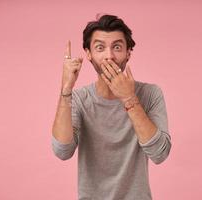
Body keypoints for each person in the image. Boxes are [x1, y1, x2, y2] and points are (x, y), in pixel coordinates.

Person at [51, 14, 172, 200]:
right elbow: (62, 151)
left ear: (128, 52)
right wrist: (65, 89)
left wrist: (129, 98)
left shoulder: (150, 94)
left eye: (117, 47)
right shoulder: (79, 99)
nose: (109, 56)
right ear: (88, 54)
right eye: (100, 48)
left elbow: (160, 154)